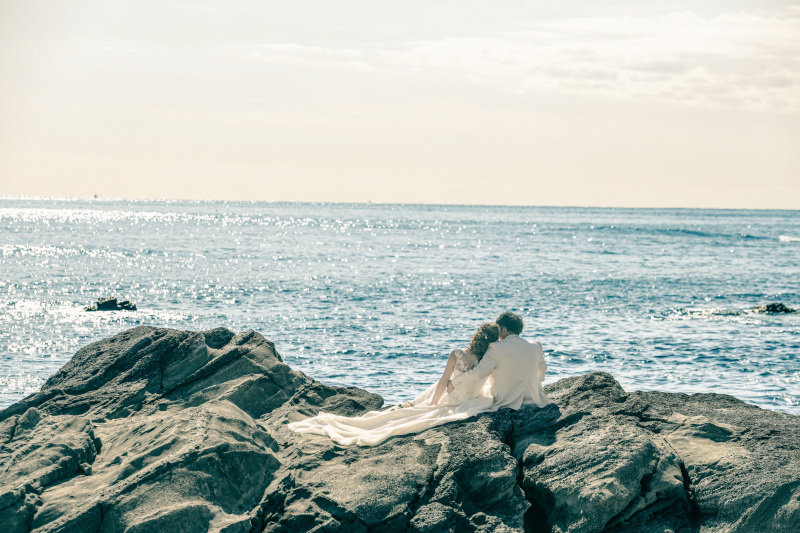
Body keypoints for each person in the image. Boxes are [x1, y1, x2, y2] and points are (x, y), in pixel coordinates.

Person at [288, 323, 499, 446]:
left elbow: (444, 382)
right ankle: (423, 405)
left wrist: (434, 405)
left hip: (452, 397)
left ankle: (422, 405)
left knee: (429, 395)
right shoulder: (487, 361)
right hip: (470, 399)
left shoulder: (457, 354)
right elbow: (490, 382)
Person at [450, 311, 550, 409]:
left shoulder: (495, 348)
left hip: (506, 401)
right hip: (534, 398)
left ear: (504, 330)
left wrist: (455, 383)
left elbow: (479, 372)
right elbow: (542, 369)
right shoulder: (535, 346)